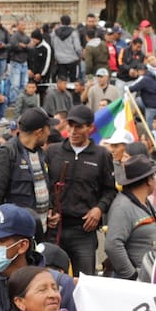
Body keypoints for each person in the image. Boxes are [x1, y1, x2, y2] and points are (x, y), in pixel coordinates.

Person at [45, 104, 117, 276]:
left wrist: (99, 209)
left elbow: (110, 190)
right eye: (70, 125)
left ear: (90, 128)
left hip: (84, 230)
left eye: (79, 127)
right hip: (55, 228)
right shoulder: (53, 151)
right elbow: (44, 186)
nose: (73, 131)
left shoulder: (101, 155)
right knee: (49, 279)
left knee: (85, 281)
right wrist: (47, 208)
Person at [0, 107, 56, 226]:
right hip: (13, 233)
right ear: (38, 132)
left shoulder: (41, 154)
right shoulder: (6, 154)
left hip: (37, 233)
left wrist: (49, 210)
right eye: (48, 128)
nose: (49, 133)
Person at [105, 155, 156, 280]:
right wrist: (132, 276)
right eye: (154, 176)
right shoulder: (122, 207)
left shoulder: (145, 202)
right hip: (135, 283)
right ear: (148, 180)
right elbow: (112, 245)